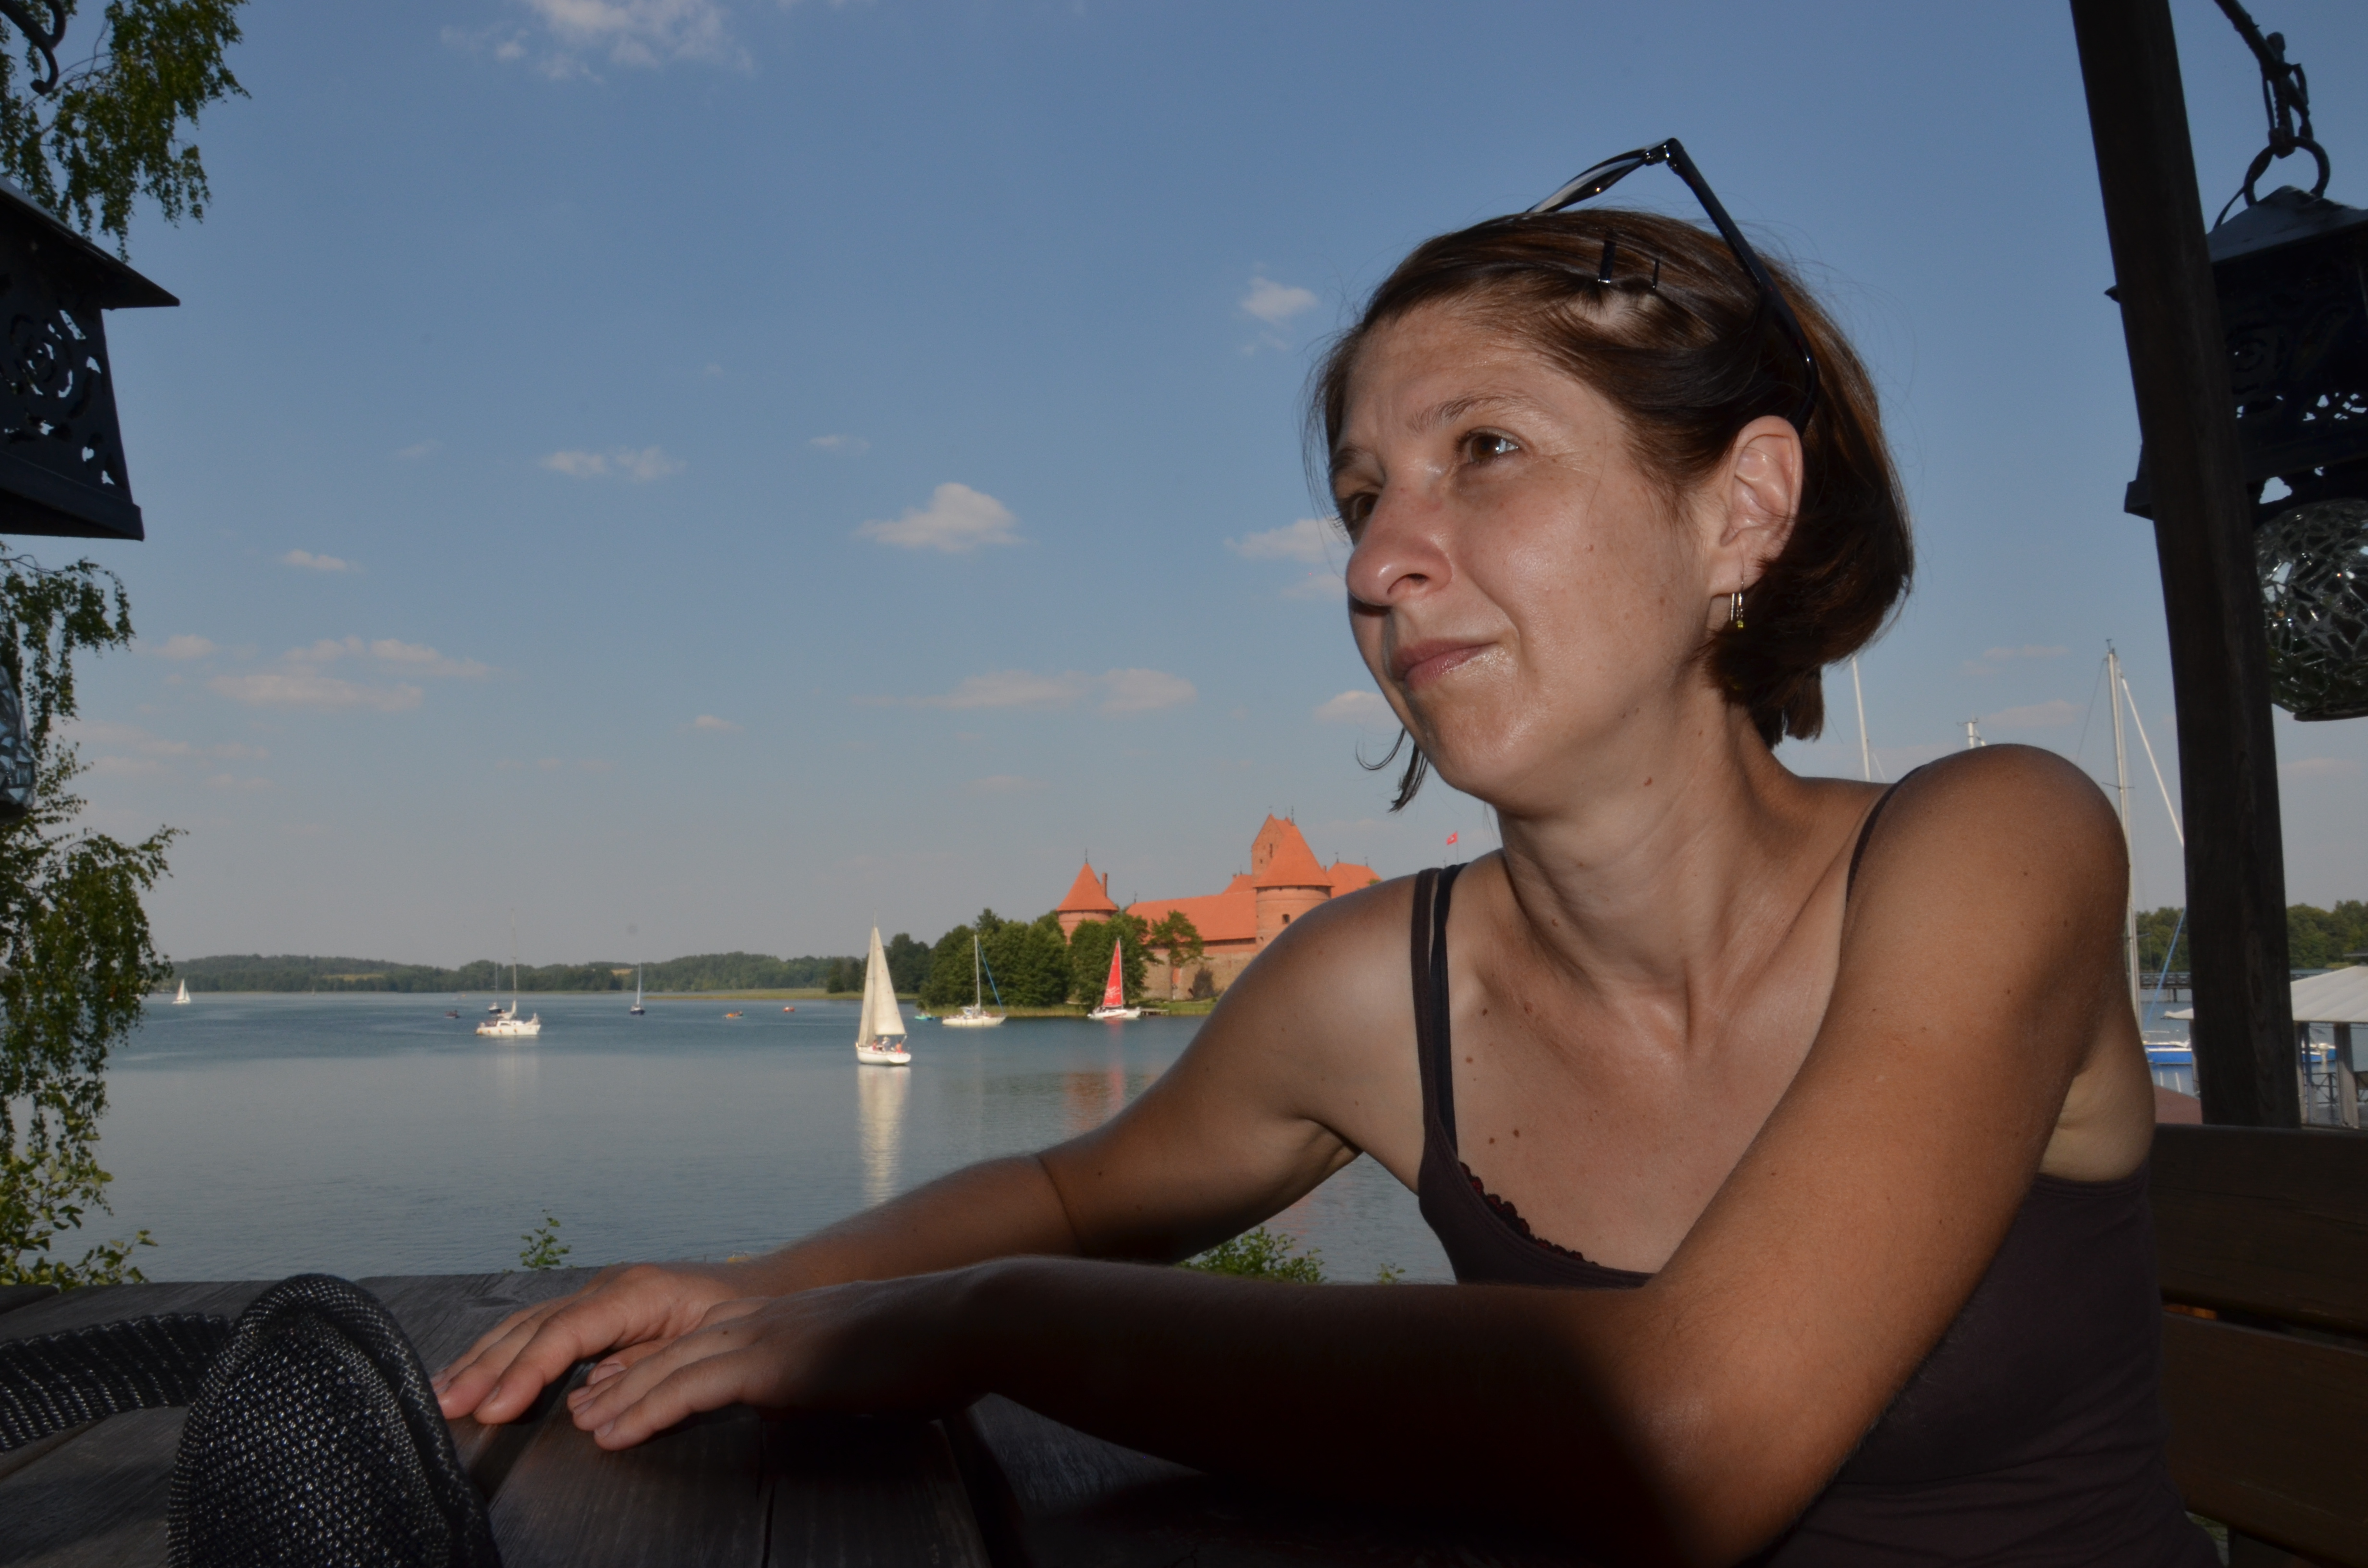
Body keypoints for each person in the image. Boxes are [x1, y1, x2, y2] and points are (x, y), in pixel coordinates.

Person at [437, 149, 2213, 1565]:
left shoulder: (1996, 844)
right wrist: (760, 1291)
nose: (1377, 565)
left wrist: (988, 1325)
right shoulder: (1383, 988)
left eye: (1485, 453)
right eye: (1364, 500)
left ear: (1740, 506)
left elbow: (1695, 1442)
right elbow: (1079, 1191)